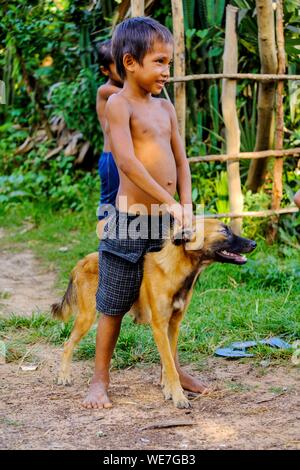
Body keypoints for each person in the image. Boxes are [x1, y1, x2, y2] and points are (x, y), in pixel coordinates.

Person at [83, 17, 208, 409]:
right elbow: (127, 163)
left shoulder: (165, 108)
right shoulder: (119, 105)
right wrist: (169, 202)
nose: (166, 72)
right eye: (159, 62)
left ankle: (171, 368)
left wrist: (183, 203)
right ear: (130, 62)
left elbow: (182, 160)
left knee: (174, 299)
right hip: (130, 221)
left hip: (168, 225)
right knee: (114, 301)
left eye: (169, 63)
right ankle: (100, 378)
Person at [95, 40, 123, 238]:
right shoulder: (106, 91)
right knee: (109, 203)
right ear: (105, 71)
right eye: (118, 65)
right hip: (111, 158)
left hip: (124, 157)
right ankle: (105, 244)